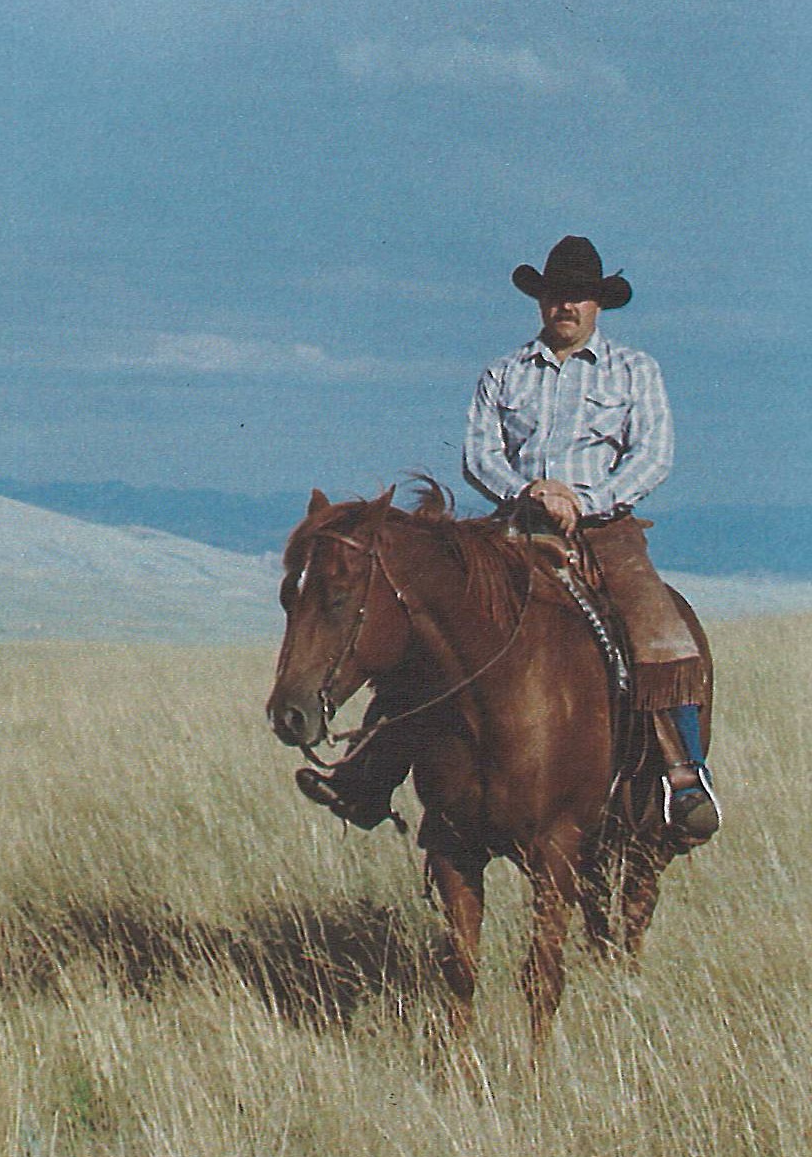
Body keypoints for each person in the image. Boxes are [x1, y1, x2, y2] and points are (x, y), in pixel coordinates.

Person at [300, 235, 718, 845]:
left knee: (660, 628)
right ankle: (368, 774)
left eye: (578, 296)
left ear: (598, 304)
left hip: (605, 528)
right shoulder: (504, 373)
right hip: (513, 527)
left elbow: (653, 455)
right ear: (540, 301)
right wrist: (531, 492)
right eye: (554, 295)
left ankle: (684, 779)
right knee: (427, 625)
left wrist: (585, 500)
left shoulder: (635, 370)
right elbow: (480, 456)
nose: (564, 306)